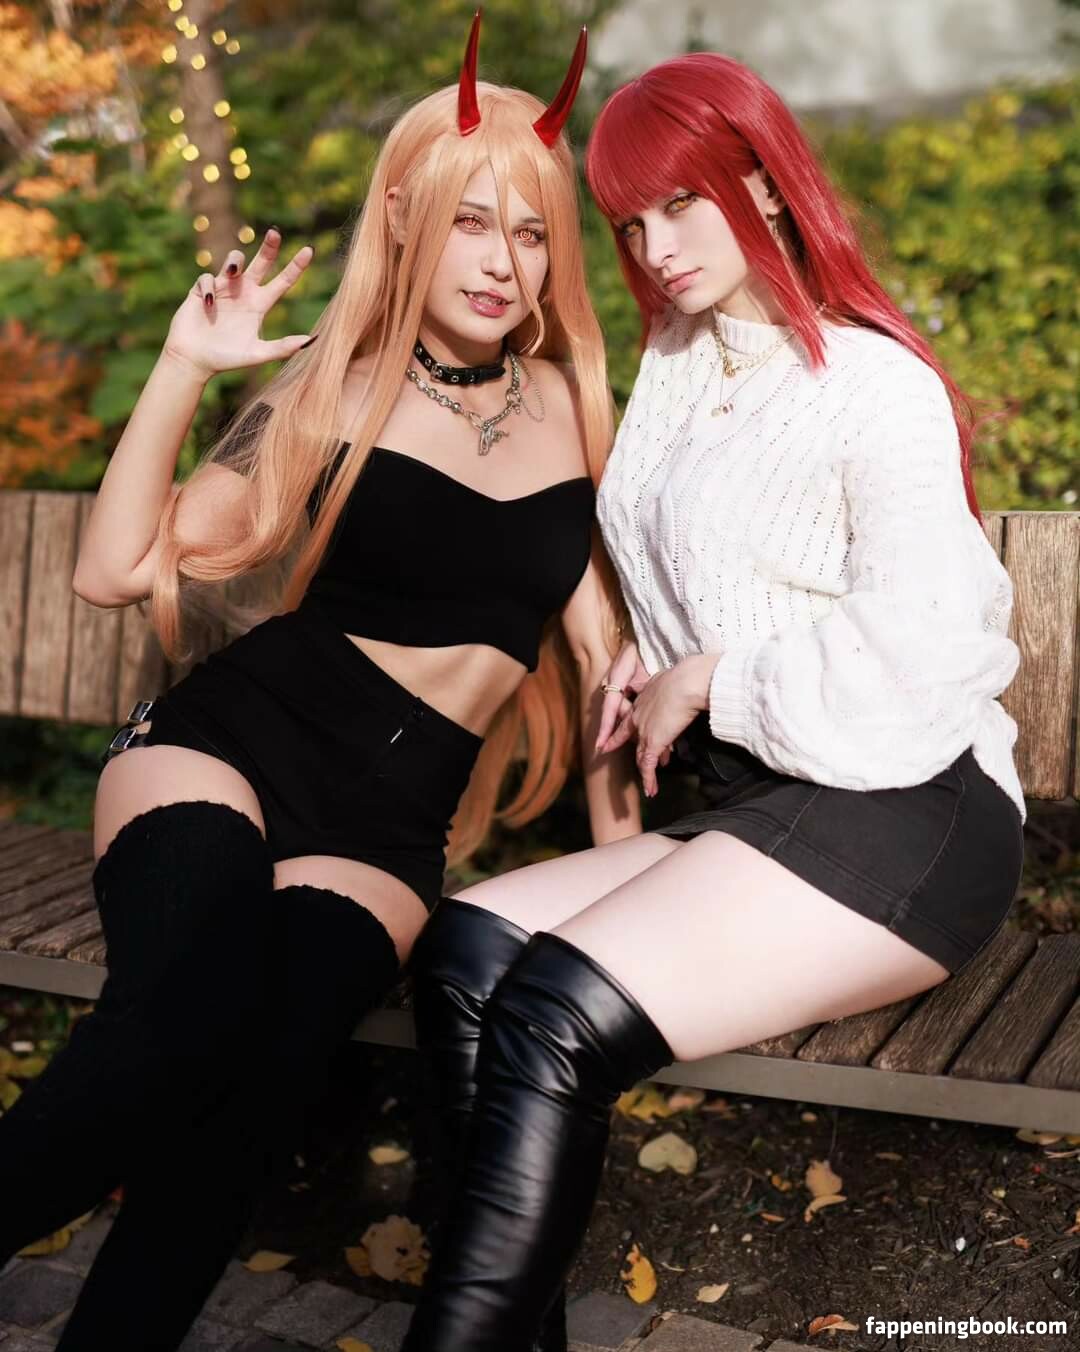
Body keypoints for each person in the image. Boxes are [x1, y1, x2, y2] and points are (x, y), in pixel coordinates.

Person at [0, 19, 637, 1351]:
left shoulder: (578, 407)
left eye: (531, 234)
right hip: (228, 748)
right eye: (472, 223)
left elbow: (604, 669)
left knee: (262, 1077)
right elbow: (116, 573)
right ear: (404, 221)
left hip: (388, 822)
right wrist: (184, 365)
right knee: (181, 1020)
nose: (502, 262)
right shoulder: (333, 391)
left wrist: (622, 879)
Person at [402, 52, 1025, 1352]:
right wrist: (653, 659)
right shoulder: (684, 363)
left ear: (767, 184)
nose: (657, 248)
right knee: (465, 952)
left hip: (911, 811)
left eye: (681, 204)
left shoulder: (875, 385)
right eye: (631, 222)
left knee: (554, 1009)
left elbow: (927, 647)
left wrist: (716, 679)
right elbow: (704, 577)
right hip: (768, 808)